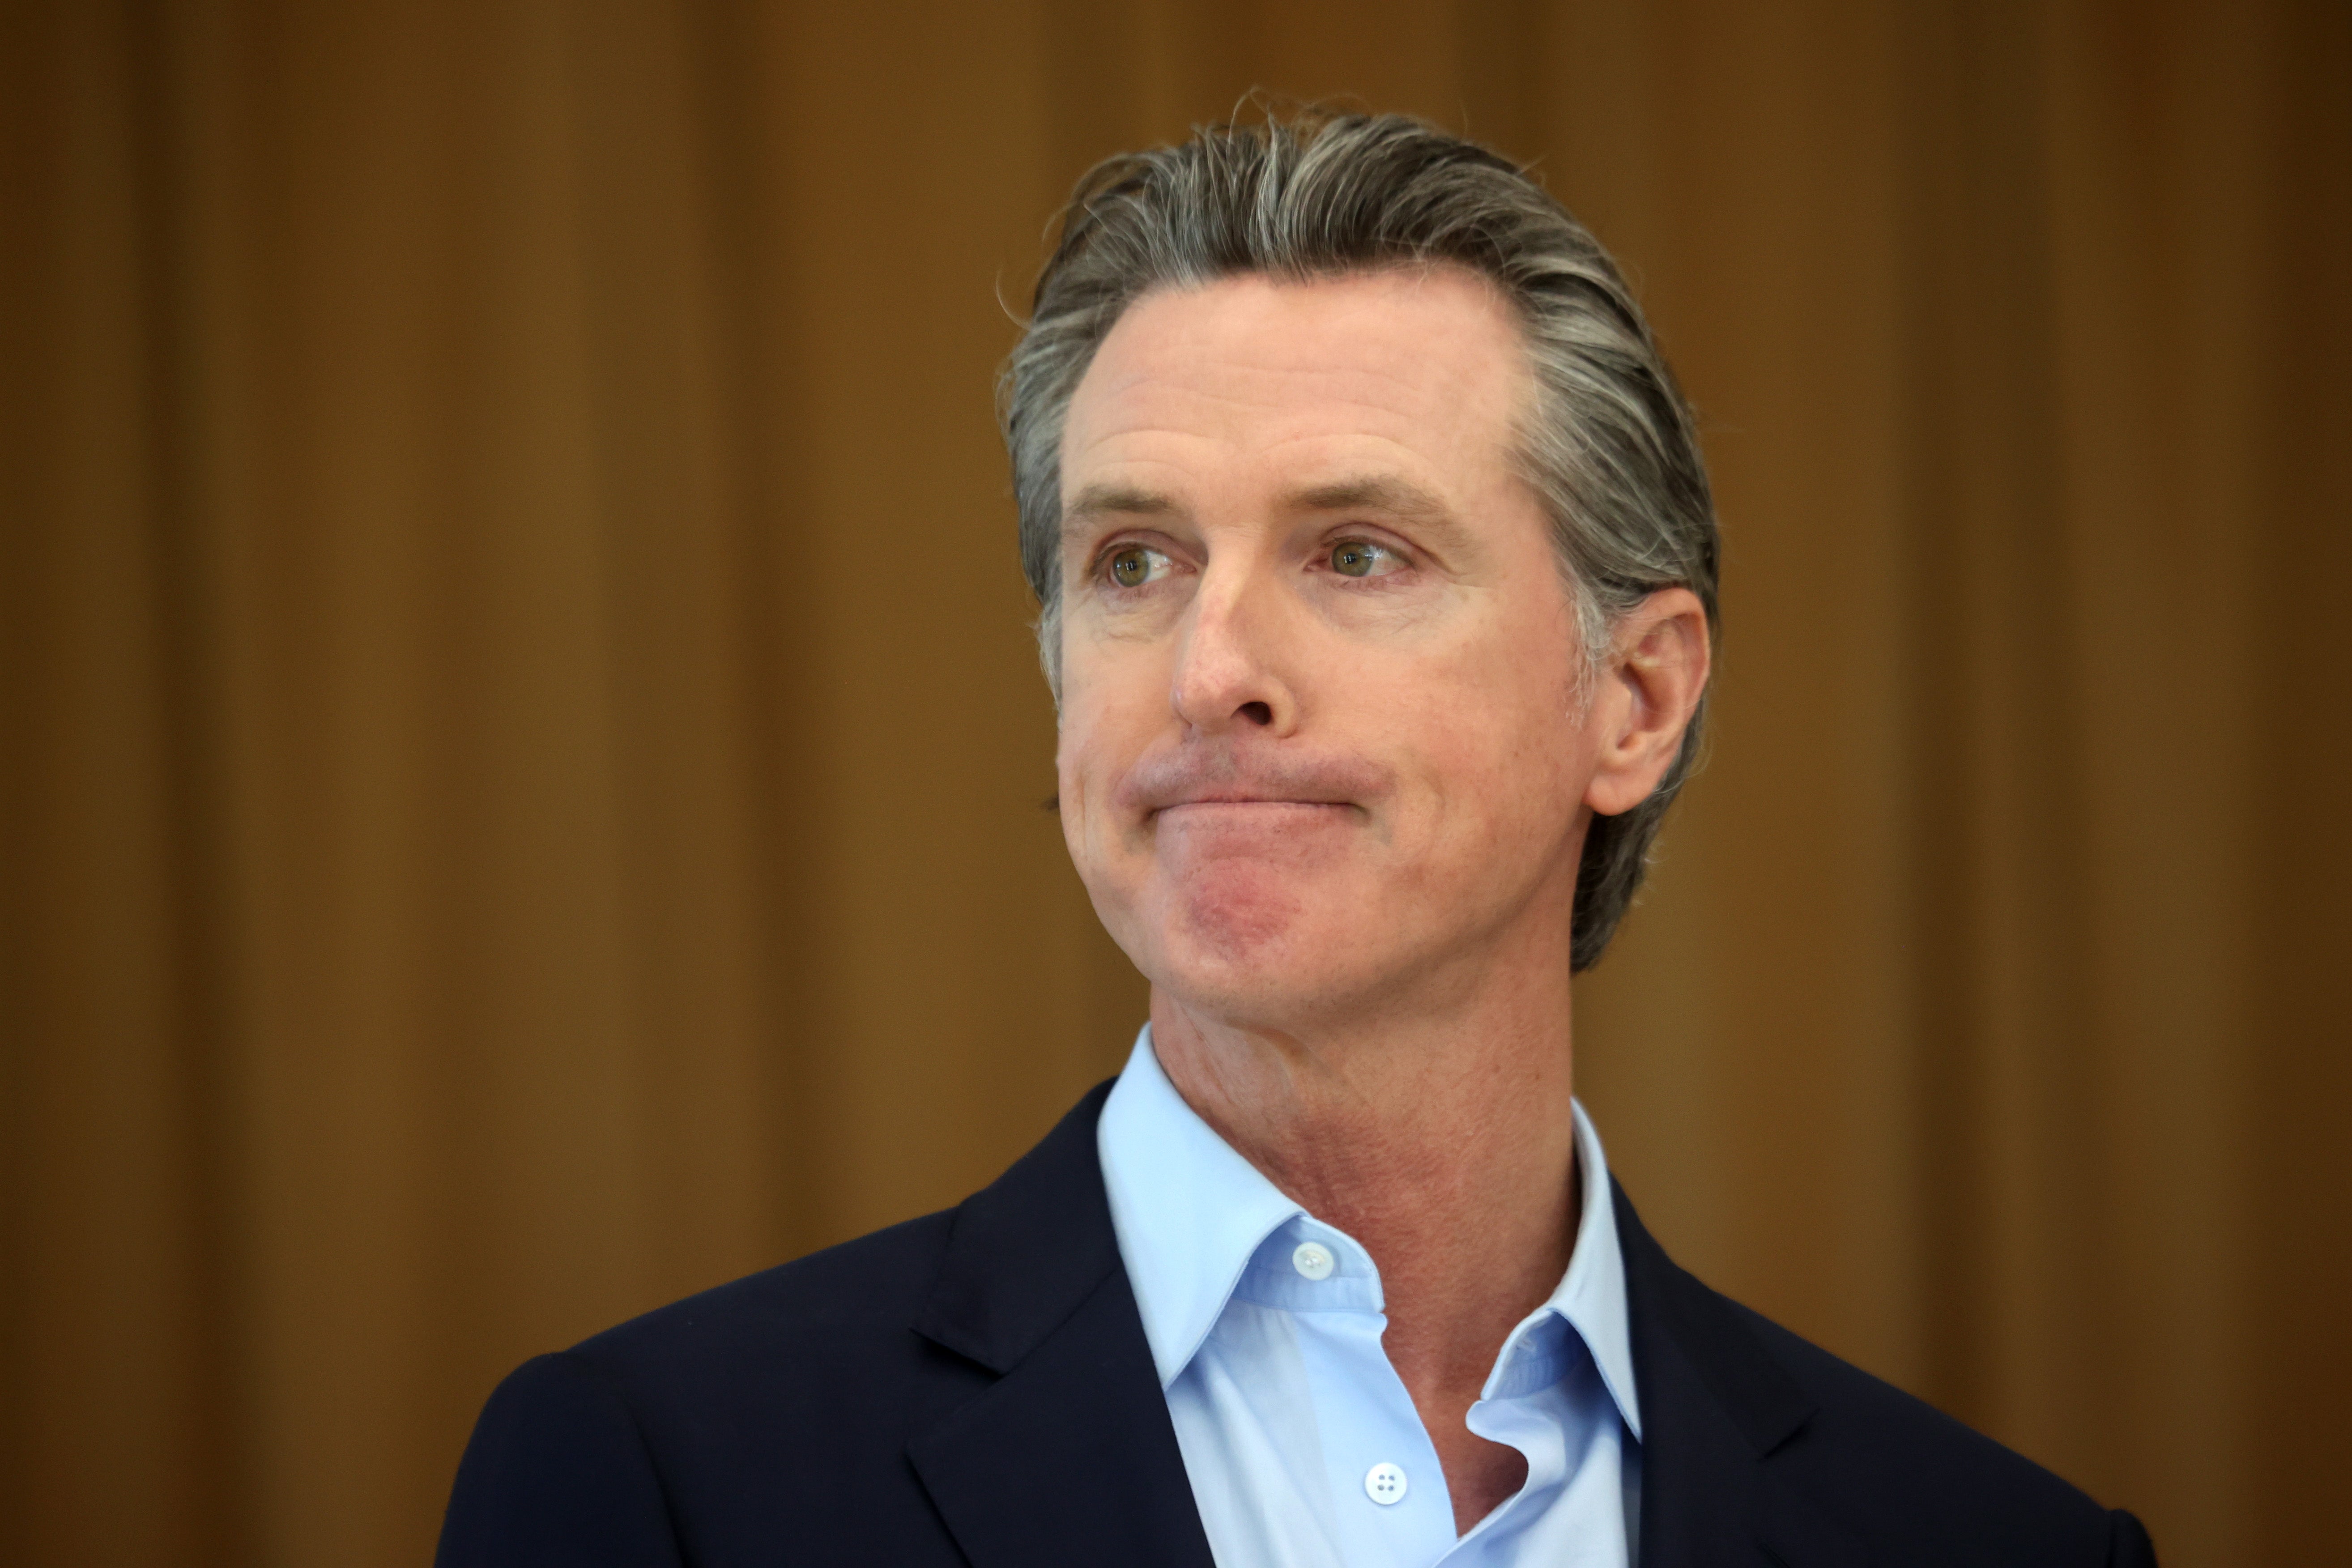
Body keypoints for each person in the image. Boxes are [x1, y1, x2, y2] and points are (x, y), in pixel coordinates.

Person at [436, 112, 2157, 1568]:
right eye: (1135, 561)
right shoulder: (663, 1485)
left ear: (1634, 698)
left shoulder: (1991, 1543)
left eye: (1355, 553)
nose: (1211, 669)